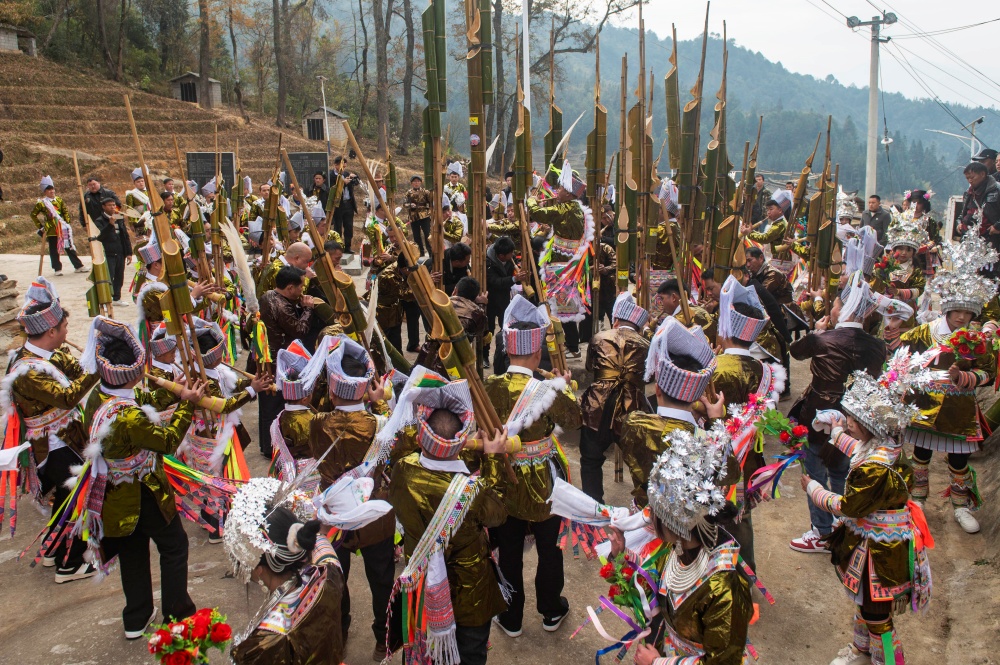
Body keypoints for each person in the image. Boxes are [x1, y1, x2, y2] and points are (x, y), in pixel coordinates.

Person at [74, 316, 205, 639]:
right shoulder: (128, 416)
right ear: (133, 374)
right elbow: (167, 441)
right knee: (174, 546)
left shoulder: (100, 396)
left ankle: (136, 617)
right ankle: (177, 612)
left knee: (132, 552)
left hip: (114, 494)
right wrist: (187, 406)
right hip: (144, 490)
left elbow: (144, 401)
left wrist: (175, 393)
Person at [802, 353, 934, 665]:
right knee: (866, 605)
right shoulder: (886, 447)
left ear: (870, 425)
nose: (847, 422)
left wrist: (814, 489)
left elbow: (848, 506)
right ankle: (862, 649)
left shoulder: (875, 468)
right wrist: (836, 430)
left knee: (877, 614)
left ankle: (888, 660)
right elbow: (857, 449)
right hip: (876, 542)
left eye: (852, 419)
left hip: (880, 551)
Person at [387, 374, 510, 665]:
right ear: (462, 442)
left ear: (421, 437)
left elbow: (404, 445)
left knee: (422, 649)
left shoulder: (402, 471)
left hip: (422, 586)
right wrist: (492, 458)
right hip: (470, 591)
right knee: (471, 654)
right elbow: (498, 513)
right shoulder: (474, 491)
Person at [612, 428, 754, 665]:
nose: (649, 518)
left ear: (676, 523)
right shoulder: (676, 550)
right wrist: (620, 556)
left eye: (655, 513)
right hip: (665, 649)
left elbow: (723, 661)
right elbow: (651, 591)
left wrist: (657, 663)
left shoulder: (725, 588)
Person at [487, 295, 581, 638]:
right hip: (544, 479)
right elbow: (574, 421)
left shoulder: (489, 386)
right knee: (549, 547)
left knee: (509, 549)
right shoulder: (547, 389)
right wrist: (565, 387)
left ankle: (511, 616)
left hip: (505, 476)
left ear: (508, 350)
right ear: (537, 352)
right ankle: (551, 609)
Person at [900, 233, 998, 534]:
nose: (962, 317)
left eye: (968, 313)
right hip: (925, 406)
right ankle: (918, 501)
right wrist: (912, 374)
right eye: (958, 312)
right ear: (948, 309)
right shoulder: (925, 332)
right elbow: (901, 357)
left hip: (959, 410)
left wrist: (965, 377)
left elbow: (989, 372)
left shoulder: (977, 340)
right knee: (921, 455)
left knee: (959, 459)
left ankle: (961, 505)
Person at [3, 279, 99, 582]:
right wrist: (99, 369)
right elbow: (68, 397)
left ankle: (52, 548)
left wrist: (95, 356)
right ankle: (70, 564)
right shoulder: (27, 370)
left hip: (65, 438)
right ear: (51, 332)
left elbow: (77, 370)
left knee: (65, 499)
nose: (68, 332)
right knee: (76, 498)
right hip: (52, 447)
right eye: (65, 327)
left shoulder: (50, 355)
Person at [786, 272, 887, 553]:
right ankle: (845, 528)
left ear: (843, 309)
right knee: (844, 469)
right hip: (857, 419)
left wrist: (816, 332)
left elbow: (795, 351)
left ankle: (821, 532)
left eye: (835, 304)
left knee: (816, 470)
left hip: (820, 414)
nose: (831, 308)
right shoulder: (877, 346)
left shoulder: (824, 339)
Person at [309, 336, 396, 661]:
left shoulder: (317, 424)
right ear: (365, 388)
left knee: (335, 576)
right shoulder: (380, 425)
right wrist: (381, 403)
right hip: (374, 511)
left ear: (332, 389)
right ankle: (383, 639)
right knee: (382, 578)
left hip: (333, 514)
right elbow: (397, 444)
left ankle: (341, 631)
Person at [710, 275, 785, 572]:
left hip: (717, 458)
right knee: (741, 517)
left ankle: (719, 572)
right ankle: (746, 571)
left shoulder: (715, 368)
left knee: (713, 516)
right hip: (749, 459)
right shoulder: (765, 371)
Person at [620, 316, 725, 507]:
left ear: (658, 389)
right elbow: (729, 472)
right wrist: (716, 422)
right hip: (688, 523)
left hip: (645, 517)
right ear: (697, 397)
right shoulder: (704, 438)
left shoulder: (634, 423)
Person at [578, 292, 650, 502]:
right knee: (641, 461)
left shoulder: (599, 337)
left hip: (597, 404)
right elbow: (649, 376)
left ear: (616, 320)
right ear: (638, 327)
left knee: (590, 458)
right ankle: (644, 507)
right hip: (631, 405)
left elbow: (590, 367)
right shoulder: (646, 345)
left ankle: (593, 505)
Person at [258, 266, 321, 459]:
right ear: (290, 287)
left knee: (268, 405)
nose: (302, 290)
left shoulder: (267, 296)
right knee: (275, 404)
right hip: (278, 362)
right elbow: (300, 330)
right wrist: (308, 309)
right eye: (301, 286)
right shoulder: (282, 306)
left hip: (266, 358)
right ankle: (272, 447)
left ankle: (268, 445)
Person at [527, 164, 594, 324]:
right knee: (567, 307)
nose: (557, 191)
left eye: (561, 189)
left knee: (563, 310)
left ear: (569, 194)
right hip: (571, 260)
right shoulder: (576, 208)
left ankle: (567, 337)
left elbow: (537, 214)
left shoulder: (564, 209)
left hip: (561, 263)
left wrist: (531, 201)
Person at [485, 236, 527, 360]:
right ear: (501, 256)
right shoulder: (487, 262)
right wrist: (514, 279)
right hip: (489, 299)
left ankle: (505, 354)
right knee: (488, 329)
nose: (513, 255)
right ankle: (485, 355)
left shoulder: (510, 258)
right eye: (510, 253)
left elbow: (513, 278)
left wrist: (520, 276)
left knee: (506, 326)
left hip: (504, 298)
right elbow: (495, 282)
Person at [32, 176, 84, 275]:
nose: (52, 191)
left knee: (69, 246)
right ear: (45, 192)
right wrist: (40, 227)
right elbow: (33, 215)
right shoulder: (42, 203)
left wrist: (66, 221)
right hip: (51, 229)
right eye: (49, 190)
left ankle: (78, 266)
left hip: (62, 227)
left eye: (52, 189)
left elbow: (65, 211)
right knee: (53, 249)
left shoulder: (59, 200)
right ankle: (57, 269)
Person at [92, 195, 132, 305]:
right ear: (104, 207)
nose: (112, 207)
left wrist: (128, 252)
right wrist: (110, 225)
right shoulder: (99, 221)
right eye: (109, 205)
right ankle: (106, 298)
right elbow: (100, 236)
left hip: (120, 252)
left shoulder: (119, 218)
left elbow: (125, 236)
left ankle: (117, 298)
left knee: (119, 276)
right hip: (109, 253)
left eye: (114, 205)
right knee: (109, 276)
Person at [959, 162, 1000, 261]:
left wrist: (997, 226)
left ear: (982, 174)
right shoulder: (968, 192)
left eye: (972, 177)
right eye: (967, 178)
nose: (970, 180)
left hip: (992, 239)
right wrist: (959, 223)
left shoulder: (997, 189)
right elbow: (964, 212)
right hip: (971, 240)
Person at [329, 155, 360, 253]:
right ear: (336, 165)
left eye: (345, 167)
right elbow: (332, 188)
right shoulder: (331, 175)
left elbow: (356, 183)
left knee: (349, 227)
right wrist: (342, 183)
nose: (343, 169)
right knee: (338, 227)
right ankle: (338, 247)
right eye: (342, 166)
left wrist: (355, 177)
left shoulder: (346, 174)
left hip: (348, 204)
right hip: (338, 205)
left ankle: (347, 247)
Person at [404, 175, 433, 258]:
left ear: (421, 182)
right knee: (416, 235)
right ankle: (420, 252)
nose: (416, 183)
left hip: (424, 215)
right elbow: (404, 204)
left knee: (427, 234)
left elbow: (431, 202)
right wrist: (410, 205)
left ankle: (430, 252)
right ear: (411, 183)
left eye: (418, 181)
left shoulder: (425, 192)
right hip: (414, 216)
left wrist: (430, 212)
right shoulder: (409, 193)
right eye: (414, 181)